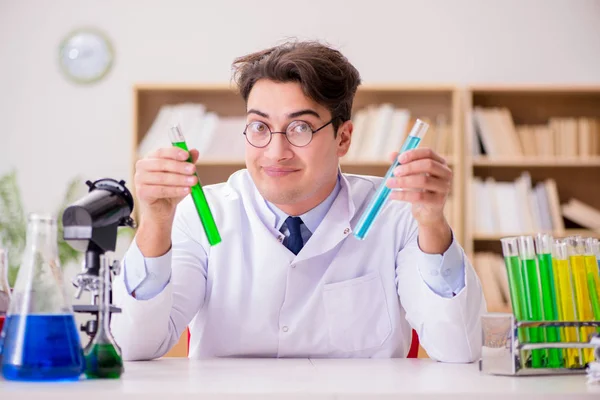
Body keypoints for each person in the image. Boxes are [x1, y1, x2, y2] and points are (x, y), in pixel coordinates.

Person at [111, 40, 485, 362]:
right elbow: (134, 345)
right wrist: (156, 222)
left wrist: (433, 223)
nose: (275, 151)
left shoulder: (395, 213)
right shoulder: (202, 214)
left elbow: (460, 348)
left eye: (300, 128)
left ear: (343, 138)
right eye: (259, 127)